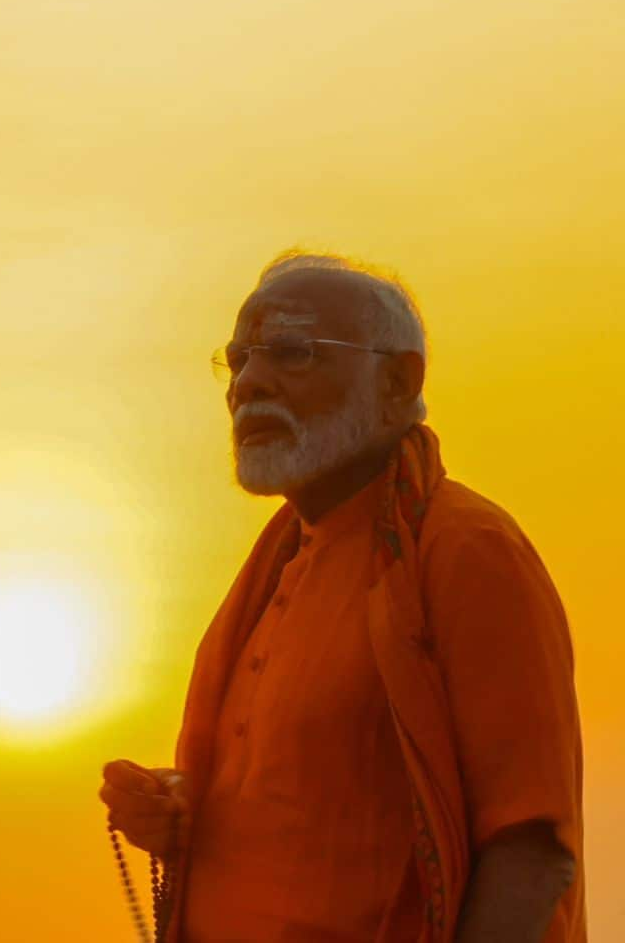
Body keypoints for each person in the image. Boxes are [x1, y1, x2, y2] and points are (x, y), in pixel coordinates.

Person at [100, 251, 585, 941]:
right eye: (237, 361)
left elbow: (532, 848)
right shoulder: (279, 564)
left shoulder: (467, 552)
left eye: (292, 353)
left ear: (397, 381)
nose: (250, 384)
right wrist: (181, 809)